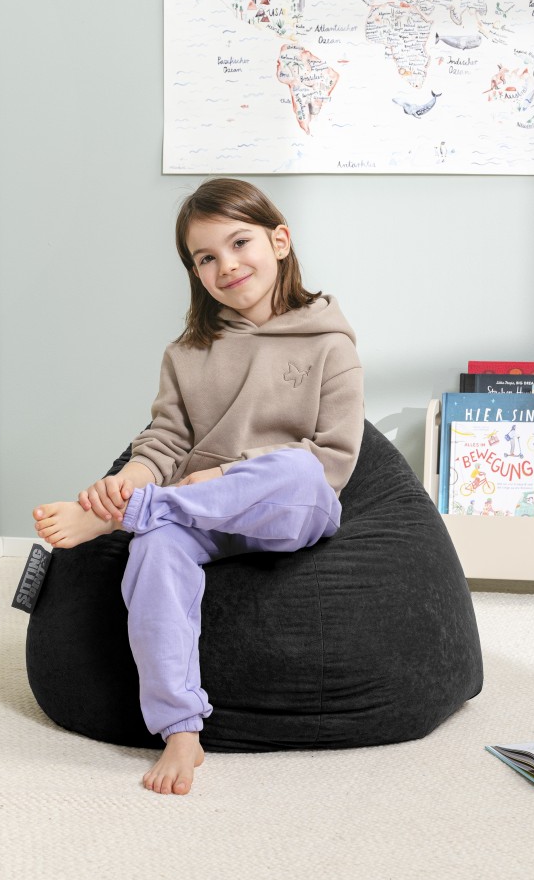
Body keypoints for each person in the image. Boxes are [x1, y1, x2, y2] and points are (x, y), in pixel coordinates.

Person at [32, 177, 364, 797]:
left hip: (289, 508)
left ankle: (139, 512)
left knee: (296, 471)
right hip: (200, 517)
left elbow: (334, 460)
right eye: (205, 258)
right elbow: (163, 442)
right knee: (153, 549)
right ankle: (181, 728)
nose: (226, 265)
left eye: (239, 243)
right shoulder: (186, 353)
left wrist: (230, 474)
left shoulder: (330, 344)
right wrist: (124, 483)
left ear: (280, 240)